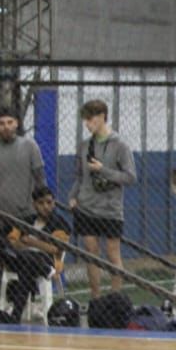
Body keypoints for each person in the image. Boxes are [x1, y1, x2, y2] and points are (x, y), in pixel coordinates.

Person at [68, 100, 136, 298]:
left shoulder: (120, 145)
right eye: (85, 121)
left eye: (90, 120)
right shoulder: (83, 146)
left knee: (113, 253)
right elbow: (80, 176)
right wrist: (73, 196)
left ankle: (115, 298)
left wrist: (103, 171)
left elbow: (130, 177)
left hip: (110, 208)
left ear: (102, 117)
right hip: (86, 206)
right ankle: (95, 298)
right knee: (91, 253)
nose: (87, 125)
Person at [2, 185, 70, 320]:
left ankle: (16, 314)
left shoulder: (60, 223)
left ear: (54, 203)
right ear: (34, 205)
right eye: (41, 203)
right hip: (24, 259)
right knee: (12, 254)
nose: (45, 206)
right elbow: (13, 241)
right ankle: (45, 271)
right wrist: (23, 244)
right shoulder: (26, 221)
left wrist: (32, 242)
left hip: (47, 259)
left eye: (49, 202)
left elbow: (55, 249)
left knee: (26, 264)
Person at [0, 107, 46, 226]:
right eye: (1, 123)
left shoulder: (30, 146)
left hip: (28, 214)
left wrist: (41, 207)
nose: (6, 127)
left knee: (27, 244)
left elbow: (40, 179)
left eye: (10, 122)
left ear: (16, 123)